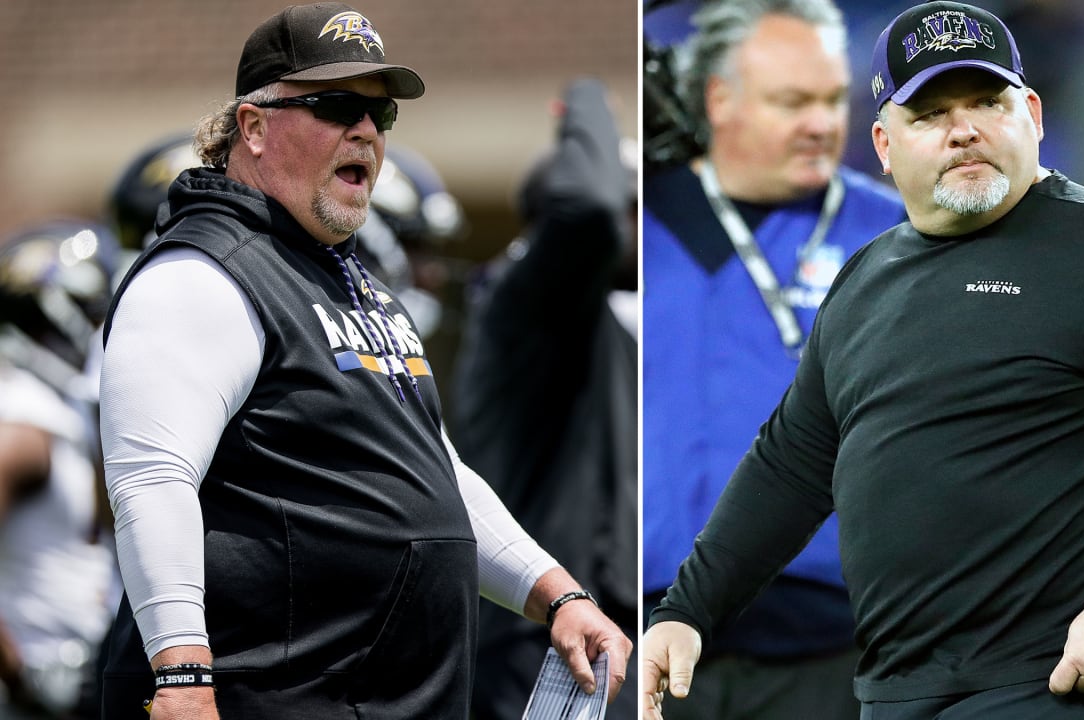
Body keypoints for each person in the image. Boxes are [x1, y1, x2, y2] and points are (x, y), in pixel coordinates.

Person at [642, 2, 1084, 719]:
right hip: (896, 689)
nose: (965, 127)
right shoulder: (865, 279)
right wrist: (686, 611)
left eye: (987, 100)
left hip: (1055, 686)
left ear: (1031, 113)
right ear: (884, 144)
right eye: (931, 112)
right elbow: (792, 464)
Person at [94, 5, 631, 719]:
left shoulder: (353, 284)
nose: (367, 133)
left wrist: (555, 592)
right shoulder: (202, 272)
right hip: (270, 699)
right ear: (252, 127)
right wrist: (180, 676)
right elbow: (152, 481)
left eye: (382, 117)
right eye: (337, 105)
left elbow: (436, 475)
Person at [642, 0, 904, 718]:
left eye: (832, 99)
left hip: (842, 642)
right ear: (719, 98)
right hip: (650, 635)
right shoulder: (639, 219)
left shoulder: (900, 233)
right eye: (793, 101)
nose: (821, 123)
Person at [450, 77, 637, 720]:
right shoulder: (525, 305)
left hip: (587, 633)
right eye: (634, 209)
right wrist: (587, 104)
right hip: (542, 643)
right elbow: (588, 205)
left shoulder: (598, 328)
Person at [0, 220, 120, 719]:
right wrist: (19, 672)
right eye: (91, 315)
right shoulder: (24, 422)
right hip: (29, 690)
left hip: (78, 676)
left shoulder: (59, 409)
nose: (99, 330)